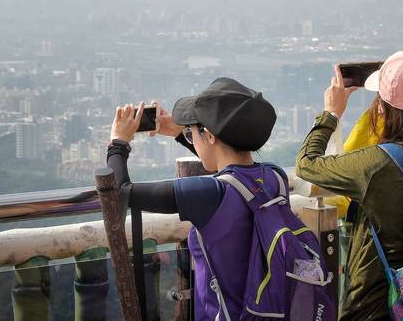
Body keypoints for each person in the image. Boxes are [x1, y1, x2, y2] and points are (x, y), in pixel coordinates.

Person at [295, 51, 403, 320]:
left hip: (376, 306)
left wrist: (331, 113)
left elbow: (307, 164)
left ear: (382, 109)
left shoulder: (377, 166)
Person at [106, 77, 277, 320]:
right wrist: (182, 133)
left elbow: (119, 192)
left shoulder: (210, 195)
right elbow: (228, 170)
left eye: (193, 131)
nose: (190, 135)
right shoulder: (274, 178)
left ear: (209, 136)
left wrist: (118, 143)